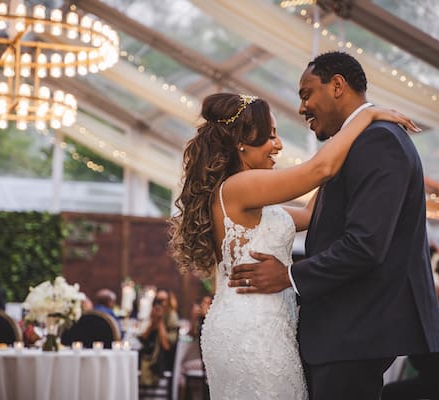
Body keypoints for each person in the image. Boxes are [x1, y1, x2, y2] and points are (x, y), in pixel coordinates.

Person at [168, 64, 422, 398]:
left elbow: (310, 211)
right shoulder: (241, 186)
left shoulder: (249, 201)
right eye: (270, 135)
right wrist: (365, 117)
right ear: (242, 143)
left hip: (255, 326)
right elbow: (320, 169)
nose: (277, 145)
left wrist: (352, 156)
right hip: (253, 333)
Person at [222, 51, 439, 400]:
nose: (302, 107)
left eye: (306, 94)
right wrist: (366, 115)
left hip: (354, 331)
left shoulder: (378, 141)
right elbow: (319, 197)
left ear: (337, 86)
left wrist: (289, 275)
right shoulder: (358, 144)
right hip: (334, 334)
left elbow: (365, 244)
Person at [381, 283, 439, 399]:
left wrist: (423, 334)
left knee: (388, 392)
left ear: (432, 298)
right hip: (434, 377)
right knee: (388, 389)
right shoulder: (433, 316)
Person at [139, 289, 180, 386]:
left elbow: (166, 346)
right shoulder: (151, 315)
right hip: (149, 356)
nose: (161, 304)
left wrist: (160, 321)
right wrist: (153, 322)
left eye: (163, 300)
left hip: (164, 360)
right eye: (158, 300)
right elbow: (143, 339)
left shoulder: (172, 317)